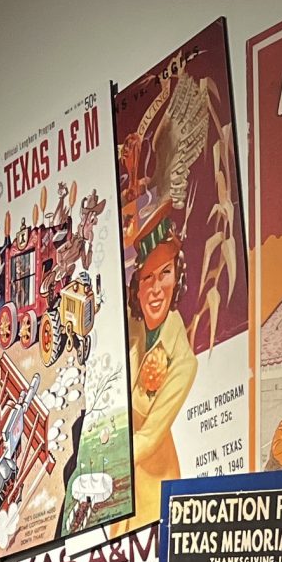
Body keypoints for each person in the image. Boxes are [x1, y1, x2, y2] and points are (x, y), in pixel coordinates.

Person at [128, 198, 195, 486]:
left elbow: (150, 437)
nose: (156, 290)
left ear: (177, 277)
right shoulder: (132, 329)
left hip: (152, 484)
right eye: (147, 278)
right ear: (138, 287)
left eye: (165, 274)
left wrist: (110, 460)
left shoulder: (183, 363)